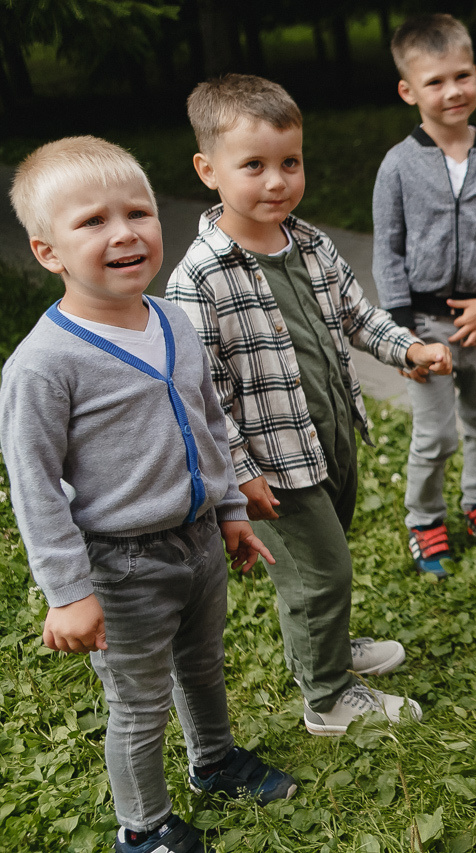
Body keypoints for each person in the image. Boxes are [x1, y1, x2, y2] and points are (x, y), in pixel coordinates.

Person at [1, 136, 295, 853]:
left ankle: (214, 760)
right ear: (49, 253)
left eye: (138, 211)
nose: (125, 232)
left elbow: (209, 422)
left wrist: (228, 512)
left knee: (203, 664)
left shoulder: (173, 321)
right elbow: (33, 484)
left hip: (197, 543)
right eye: (92, 222)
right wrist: (68, 592)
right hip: (122, 562)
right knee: (139, 701)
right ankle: (145, 826)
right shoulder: (43, 364)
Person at [167, 75, 452, 737]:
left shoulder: (312, 244)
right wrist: (240, 473)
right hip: (269, 463)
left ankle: (326, 640)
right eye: (254, 166)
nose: (277, 181)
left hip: (327, 434)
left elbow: (356, 316)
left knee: (327, 557)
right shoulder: (200, 275)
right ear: (208, 171)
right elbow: (200, 393)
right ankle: (326, 697)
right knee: (320, 570)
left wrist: (408, 349)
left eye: (289, 162)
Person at [373, 14, 476, 577]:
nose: (452, 91)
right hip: (426, 326)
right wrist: (402, 338)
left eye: (462, 75)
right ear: (408, 91)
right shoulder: (397, 165)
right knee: (436, 433)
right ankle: (424, 519)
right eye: (435, 82)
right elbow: (388, 252)